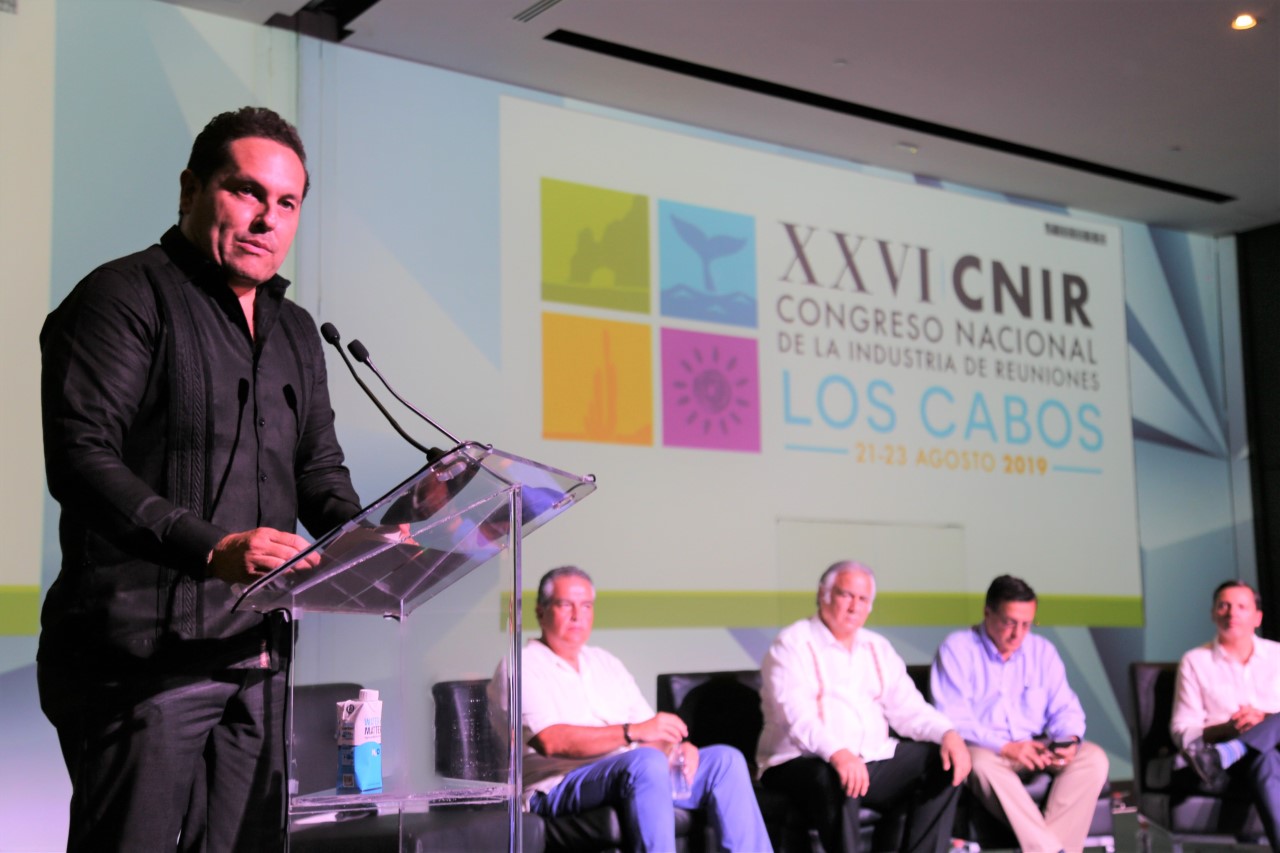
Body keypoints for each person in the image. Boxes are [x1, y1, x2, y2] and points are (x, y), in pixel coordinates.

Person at [38, 106, 362, 852]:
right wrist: (211, 548)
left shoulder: (296, 331)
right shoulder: (122, 297)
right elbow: (81, 458)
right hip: (141, 660)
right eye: (247, 192)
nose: (267, 219)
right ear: (191, 189)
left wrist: (376, 537)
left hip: (258, 655)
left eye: (287, 203)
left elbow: (318, 471)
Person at [488, 566, 772, 852]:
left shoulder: (605, 662)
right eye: (566, 605)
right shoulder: (521, 665)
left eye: (586, 606)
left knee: (725, 760)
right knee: (646, 763)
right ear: (541, 612)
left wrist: (677, 749)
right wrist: (631, 732)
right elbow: (551, 741)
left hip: (630, 772)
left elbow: (651, 733)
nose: (577, 615)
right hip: (557, 784)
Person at [757, 561, 970, 853]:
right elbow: (797, 717)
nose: (854, 607)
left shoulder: (877, 647)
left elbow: (908, 709)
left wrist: (948, 734)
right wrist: (838, 754)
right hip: (799, 761)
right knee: (837, 776)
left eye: (863, 599)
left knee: (942, 762)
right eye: (846, 595)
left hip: (869, 757)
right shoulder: (791, 644)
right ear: (823, 595)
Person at [930, 575, 1109, 853]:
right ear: (987, 613)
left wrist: (1069, 740)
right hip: (987, 749)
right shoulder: (958, 648)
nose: (1018, 634)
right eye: (1010, 622)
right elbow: (952, 719)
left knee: (1093, 758)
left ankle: (1045, 847)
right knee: (978, 763)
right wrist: (1006, 747)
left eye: (1027, 624)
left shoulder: (1042, 651)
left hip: (1035, 747)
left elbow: (1065, 708)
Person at [1171, 579, 1280, 848]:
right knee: (1265, 758)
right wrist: (1229, 729)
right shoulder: (1195, 661)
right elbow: (1183, 730)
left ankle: (1230, 752)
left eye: (1242, 607)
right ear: (1213, 614)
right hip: (1241, 760)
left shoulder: (1277, 655)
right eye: (1224, 606)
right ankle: (1235, 749)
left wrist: (1263, 720)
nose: (1232, 613)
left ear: (1258, 617)